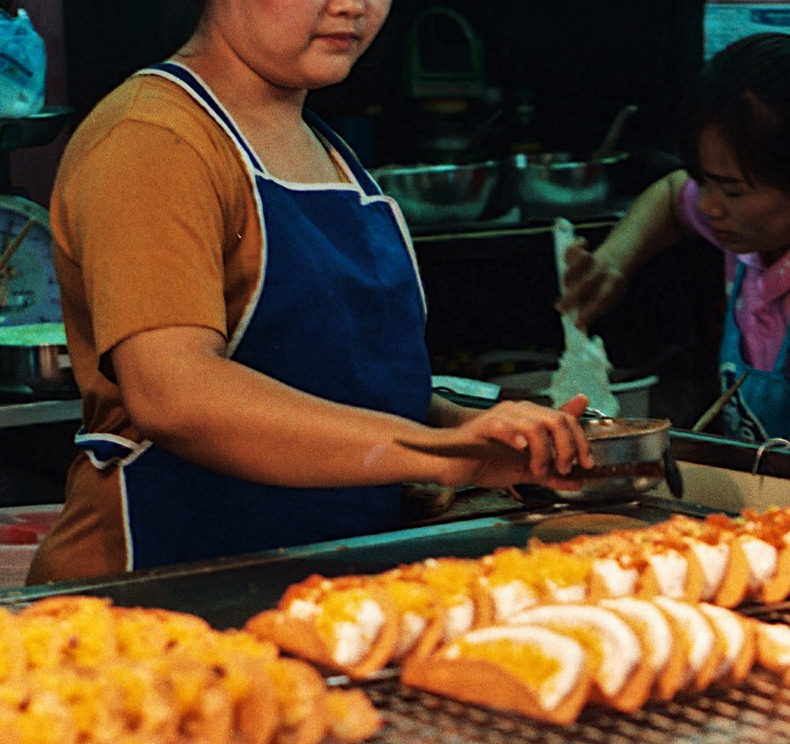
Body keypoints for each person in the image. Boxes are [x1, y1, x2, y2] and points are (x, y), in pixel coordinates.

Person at [29, 0, 592, 584]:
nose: (352, 5)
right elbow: (175, 394)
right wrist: (440, 454)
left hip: (321, 582)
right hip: (166, 591)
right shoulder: (151, 139)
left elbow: (344, 382)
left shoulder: (325, 149)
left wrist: (476, 432)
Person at [555, 33, 790, 454]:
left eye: (731, 190)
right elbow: (674, 197)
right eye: (703, 180)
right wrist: (615, 260)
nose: (708, 206)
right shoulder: (758, 225)